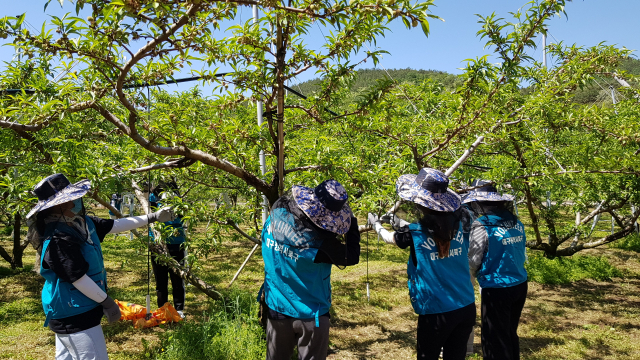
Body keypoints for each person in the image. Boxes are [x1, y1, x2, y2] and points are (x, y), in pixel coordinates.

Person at [26, 173, 175, 360]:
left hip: (80, 308)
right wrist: (106, 301)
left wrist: (153, 217)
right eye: (69, 199)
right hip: (73, 314)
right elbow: (77, 278)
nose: (75, 202)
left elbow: (116, 224)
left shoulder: (81, 223)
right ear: (57, 206)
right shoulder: (57, 240)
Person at [368, 168, 475, 360]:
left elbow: (391, 237)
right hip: (465, 305)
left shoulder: (415, 233)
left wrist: (376, 225)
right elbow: (425, 227)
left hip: (436, 311)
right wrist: (395, 220)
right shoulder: (462, 223)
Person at [260, 179, 361, 360]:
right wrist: (352, 222)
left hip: (277, 308)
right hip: (312, 315)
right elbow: (351, 256)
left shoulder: (272, 221)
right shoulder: (321, 246)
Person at [464, 180, 527, 360]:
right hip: (520, 284)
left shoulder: (482, 224)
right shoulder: (516, 222)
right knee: (509, 332)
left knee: (494, 339)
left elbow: (473, 260)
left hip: (497, 288)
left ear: (479, 203)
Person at [149, 181, 187, 318]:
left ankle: (179, 309)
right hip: (157, 243)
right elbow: (150, 217)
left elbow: (182, 216)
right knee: (161, 280)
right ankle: (163, 308)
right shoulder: (152, 197)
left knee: (177, 278)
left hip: (176, 242)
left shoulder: (177, 197)